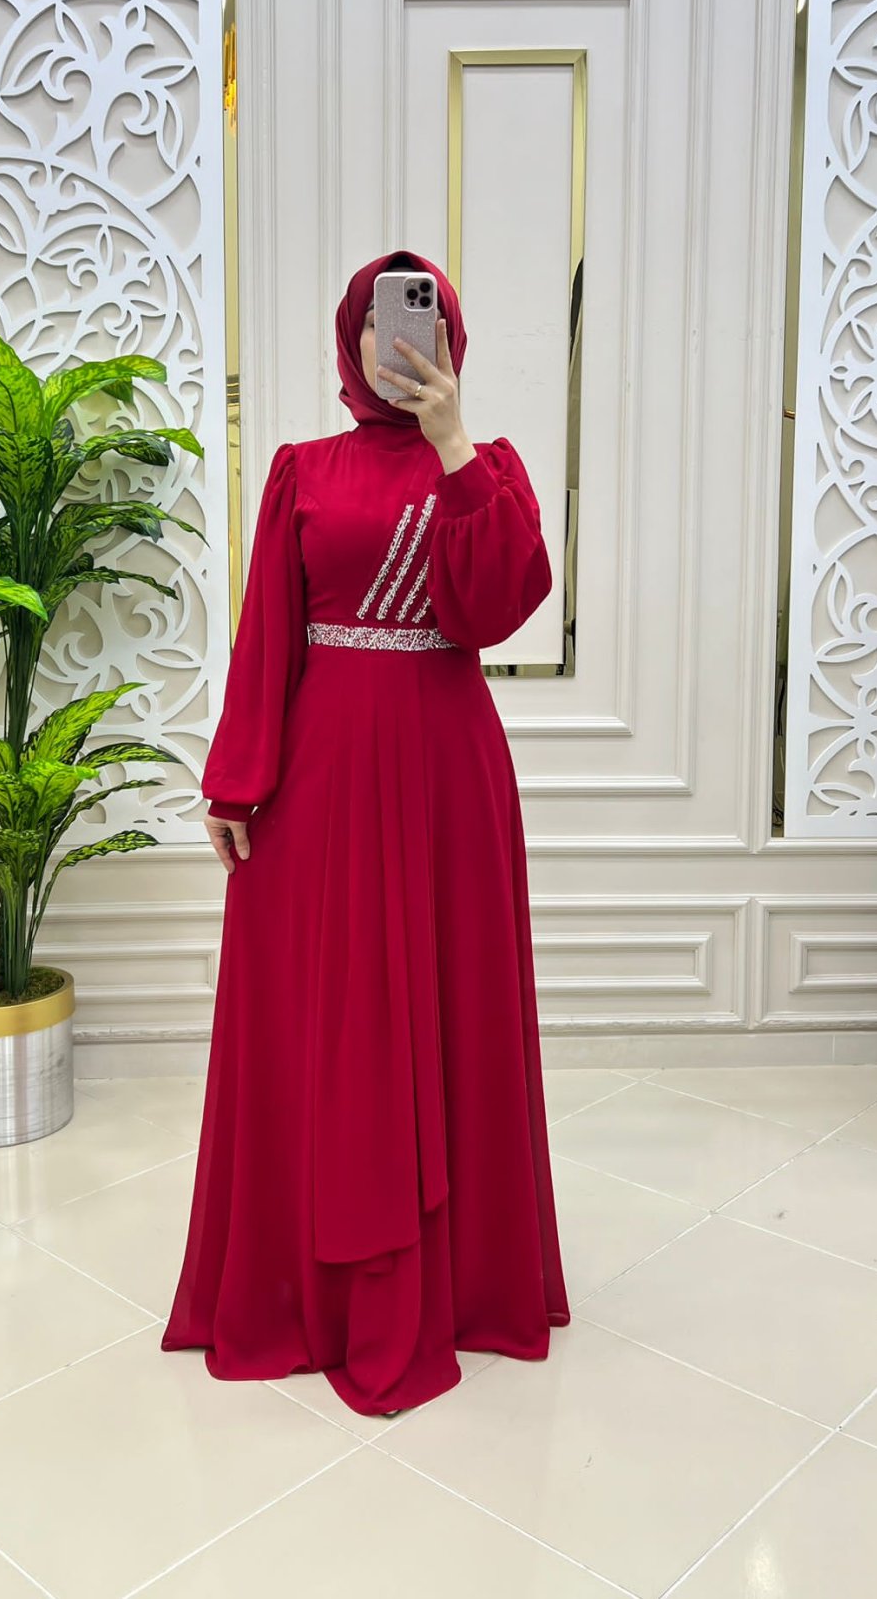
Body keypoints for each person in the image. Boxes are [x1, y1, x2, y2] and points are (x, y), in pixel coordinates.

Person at [160, 247, 571, 1416]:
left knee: (447, 1003)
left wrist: (453, 445)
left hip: (446, 775)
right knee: (324, 1017)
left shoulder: (488, 471)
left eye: (419, 323)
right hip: (324, 778)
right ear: (352, 339)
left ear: (448, 339)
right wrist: (237, 781)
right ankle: (314, 1285)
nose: (396, 344)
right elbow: (267, 632)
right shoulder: (302, 468)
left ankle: (460, 1282)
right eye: (378, 325)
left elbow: (496, 607)